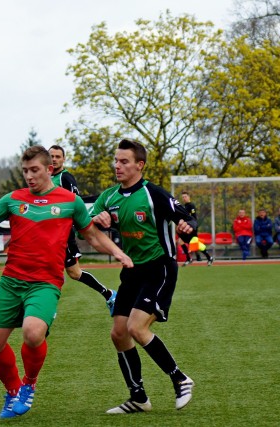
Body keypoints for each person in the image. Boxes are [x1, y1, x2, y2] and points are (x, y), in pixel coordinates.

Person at [0, 146, 133, 419]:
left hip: (45, 283)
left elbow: (92, 235)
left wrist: (116, 251)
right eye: (25, 171)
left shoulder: (70, 201)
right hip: (11, 281)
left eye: (35, 170)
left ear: (49, 169)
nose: (29, 177)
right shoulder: (14, 199)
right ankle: (12, 392)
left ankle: (28, 385)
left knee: (33, 333)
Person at [90, 139, 196, 414]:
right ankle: (138, 397)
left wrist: (187, 228)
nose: (118, 166)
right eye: (116, 160)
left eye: (124, 161)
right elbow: (87, 227)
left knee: (137, 328)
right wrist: (99, 221)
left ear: (140, 165)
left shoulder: (154, 194)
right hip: (132, 271)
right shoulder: (109, 197)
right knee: (118, 333)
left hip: (159, 268)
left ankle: (180, 379)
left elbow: (187, 223)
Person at [48, 144, 117, 314]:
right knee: (51, 269)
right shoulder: (45, 179)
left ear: (64, 159)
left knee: (74, 273)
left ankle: (109, 295)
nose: (54, 159)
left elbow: (75, 204)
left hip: (63, 234)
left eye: (58, 156)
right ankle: (46, 306)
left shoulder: (65, 178)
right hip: (49, 235)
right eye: (51, 156)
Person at [178, 191, 214, 266]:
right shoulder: (184, 206)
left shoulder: (191, 205)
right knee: (181, 241)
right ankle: (190, 258)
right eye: (183, 197)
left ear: (189, 197)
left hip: (191, 227)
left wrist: (192, 227)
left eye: (185, 196)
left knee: (196, 244)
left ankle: (209, 258)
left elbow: (193, 217)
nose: (184, 198)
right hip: (187, 227)